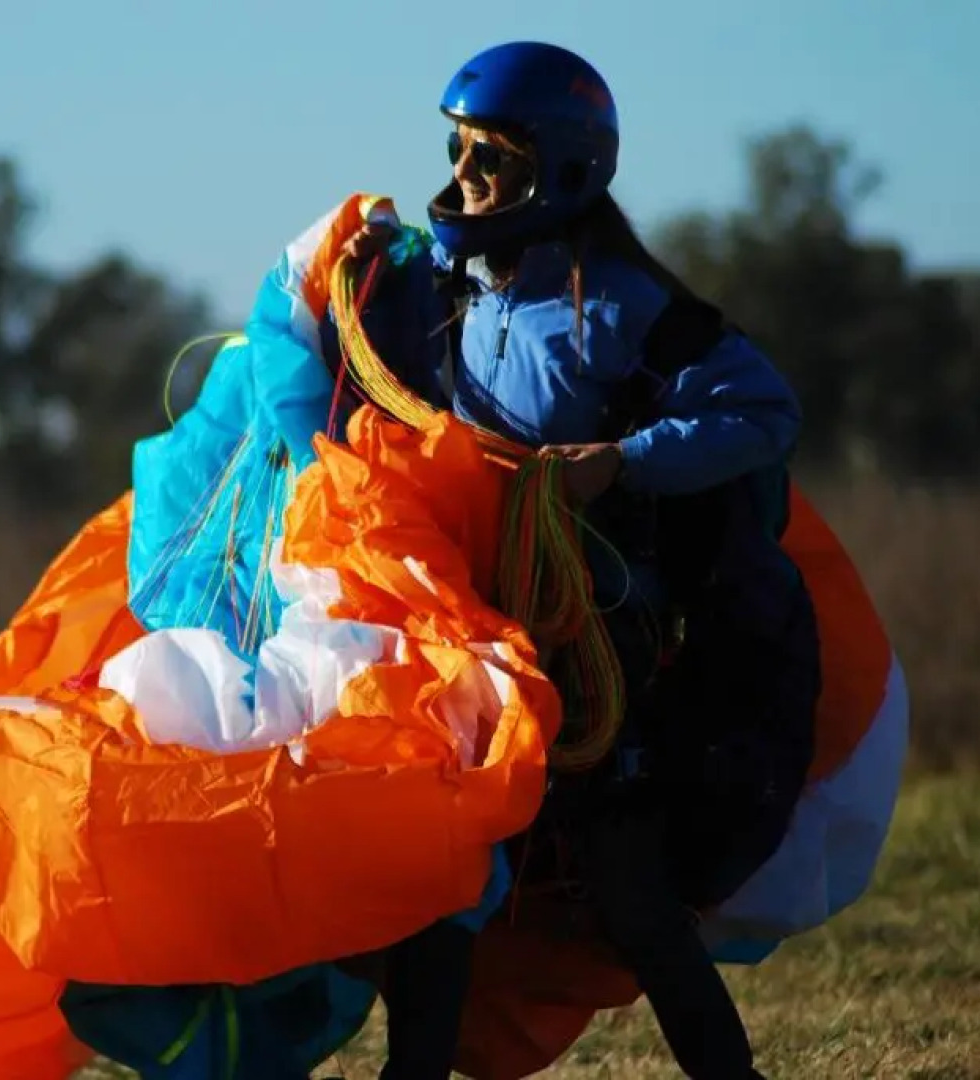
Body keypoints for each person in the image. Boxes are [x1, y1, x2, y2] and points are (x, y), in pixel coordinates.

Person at [326, 40, 822, 1080]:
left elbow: (764, 409)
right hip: (476, 644)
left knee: (635, 901)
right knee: (445, 883)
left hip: (600, 655)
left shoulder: (631, 309)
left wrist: (624, 463)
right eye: (458, 152)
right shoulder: (449, 289)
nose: (464, 180)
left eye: (490, 161)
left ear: (559, 172)